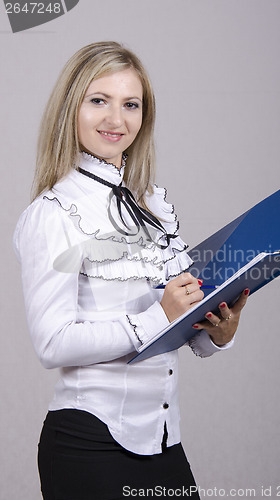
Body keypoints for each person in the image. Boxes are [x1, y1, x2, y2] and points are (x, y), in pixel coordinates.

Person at [13, 41, 249, 499]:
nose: (115, 120)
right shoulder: (55, 213)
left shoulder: (151, 206)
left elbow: (177, 319)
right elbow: (52, 342)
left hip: (164, 441)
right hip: (88, 444)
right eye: (98, 100)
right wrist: (157, 315)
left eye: (131, 105)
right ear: (71, 109)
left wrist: (216, 330)